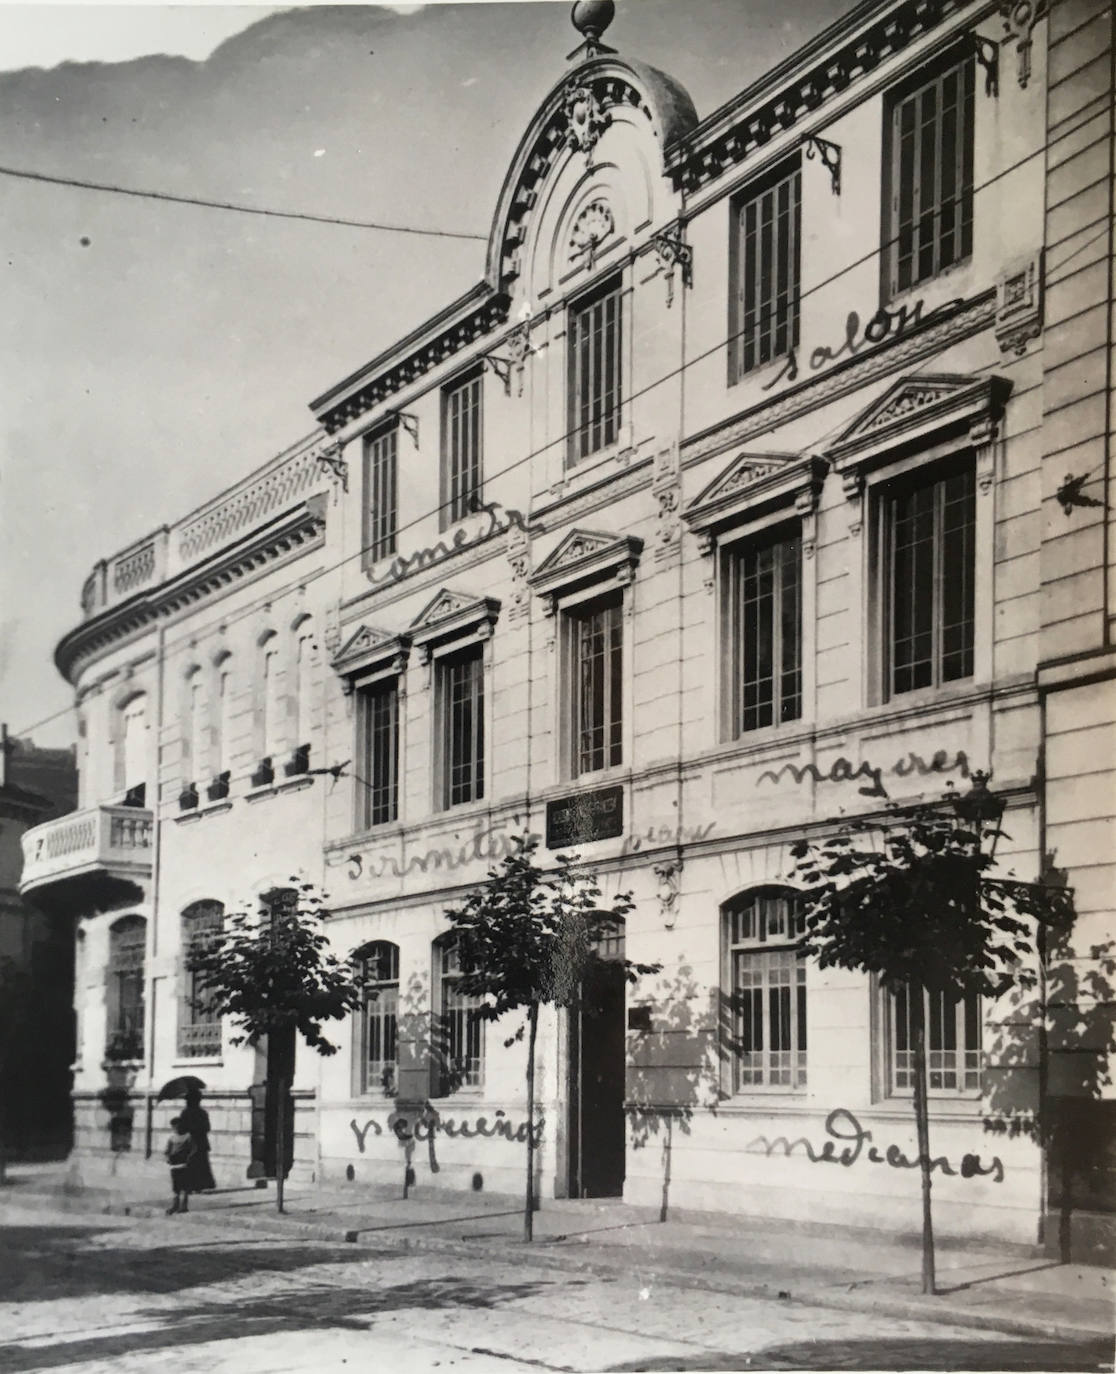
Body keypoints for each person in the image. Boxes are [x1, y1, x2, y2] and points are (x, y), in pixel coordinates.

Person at [179, 1086, 217, 1193]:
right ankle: (199, 1186)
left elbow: (181, 1129)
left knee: (190, 1165)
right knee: (200, 1165)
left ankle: (189, 1186)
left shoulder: (186, 1113)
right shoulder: (202, 1113)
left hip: (190, 1143)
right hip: (200, 1143)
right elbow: (207, 1128)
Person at [164, 1116, 195, 1214]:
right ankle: (175, 1205)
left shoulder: (188, 1136)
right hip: (174, 1166)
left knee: (184, 1187)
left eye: (177, 1126)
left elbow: (193, 1150)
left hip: (184, 1165)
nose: (175, 1129)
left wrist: (188, 1159)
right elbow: (167, 1151)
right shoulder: (172, 1138)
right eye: (173, 1127)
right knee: (175, 1187)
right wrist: (168, 1158)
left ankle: (184, 1206)